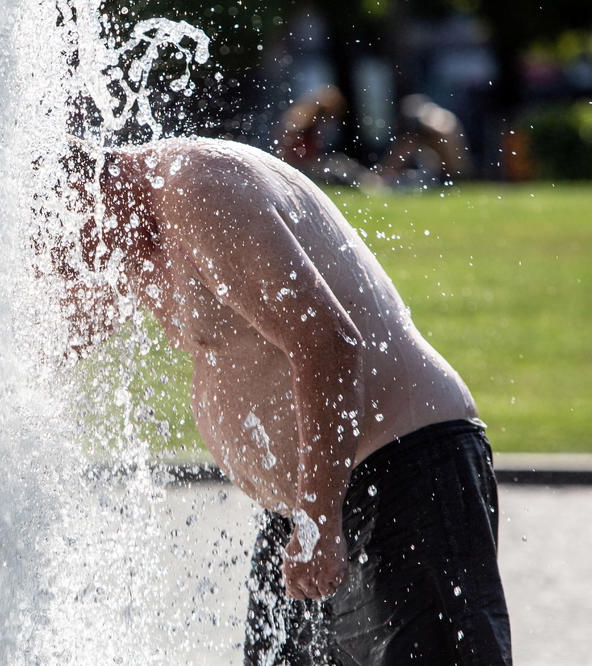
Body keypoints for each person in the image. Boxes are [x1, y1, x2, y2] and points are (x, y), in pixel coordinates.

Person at [48, 136, 512, 665]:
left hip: (399, 477)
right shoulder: (132, 234)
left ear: (78, 194)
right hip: (310, 504)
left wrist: (319, 521)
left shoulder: (199, 191)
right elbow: (54, 343)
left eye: (52, 244)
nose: (57, 265)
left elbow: (329, 344)